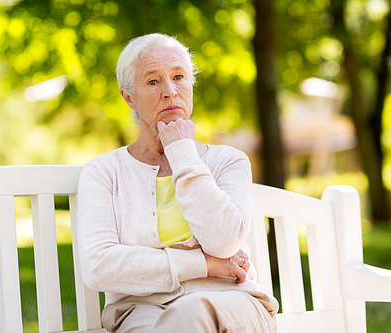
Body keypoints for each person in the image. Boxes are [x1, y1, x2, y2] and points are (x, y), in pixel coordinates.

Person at [77, 33, 279, 333]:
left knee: (192, 312)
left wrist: (183, 153)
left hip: (231, 304)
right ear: (128, 97)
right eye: (153, 82)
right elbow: (100, 266)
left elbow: (225, 241)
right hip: (142, 310)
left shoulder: (228, 161)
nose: (170, 91)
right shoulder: (103, 172)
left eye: (179, 77)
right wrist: (206, 264)